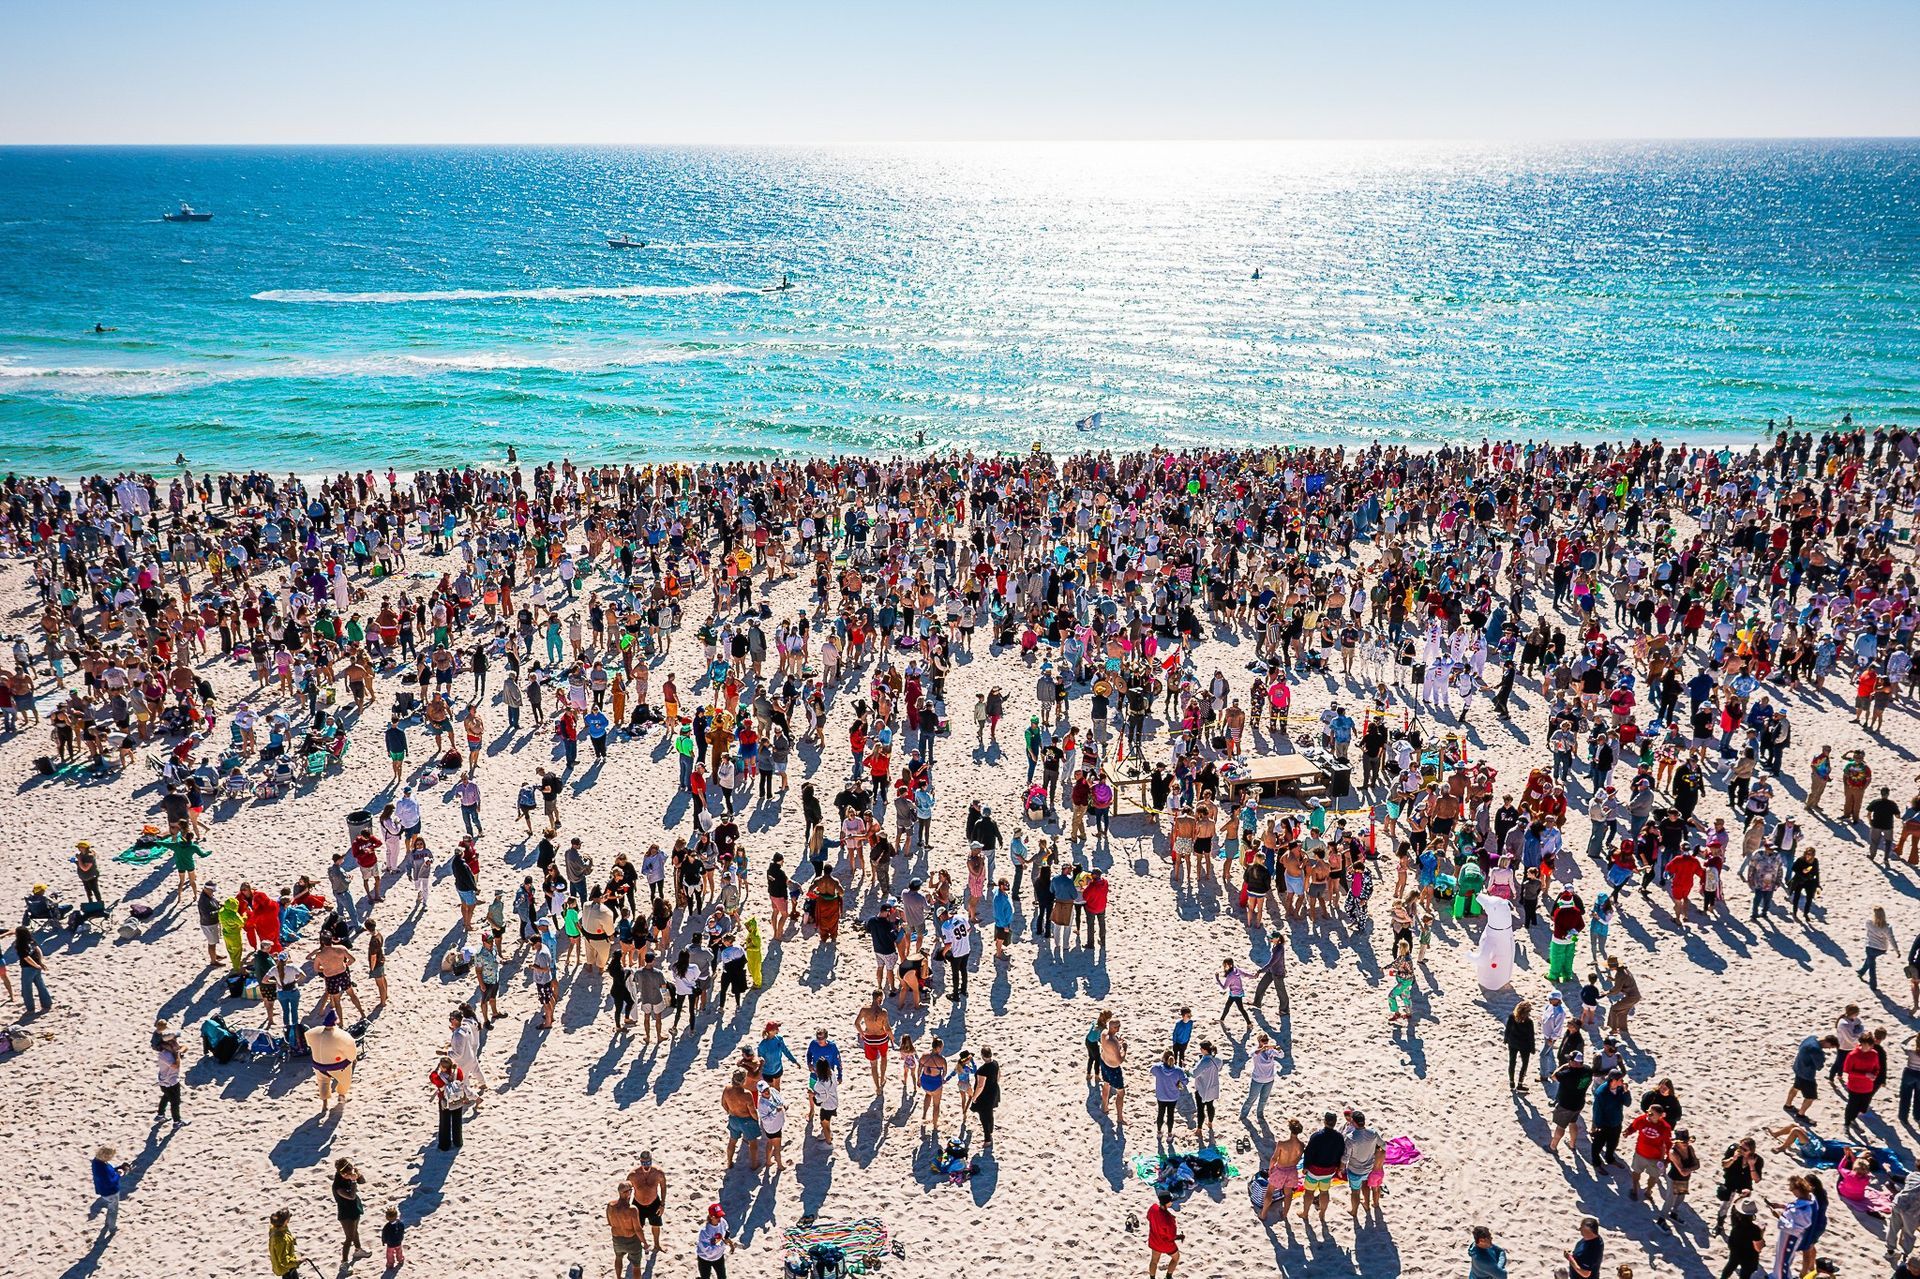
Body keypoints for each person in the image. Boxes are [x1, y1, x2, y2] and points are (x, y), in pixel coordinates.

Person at [332, 1157, 371, 1266]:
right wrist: (353, 1181)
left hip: (354, 1209)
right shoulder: (338, 1187)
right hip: (346, 1214)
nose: (350, 1174)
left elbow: (362, 1181)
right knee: (349, 1238)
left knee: (355, 1231)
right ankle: (344, 1262)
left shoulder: (348, 1175)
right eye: (348, 1173)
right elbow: (352, 1196)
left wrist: (358, 1174)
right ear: (343, 1174)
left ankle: (358, 1250)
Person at [627, 1152, 667, 1253]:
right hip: (638, 1204)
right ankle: (637, 1246)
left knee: (656, 1225)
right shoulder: (633, 1175)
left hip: (654, 1203)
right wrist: (627, 1205)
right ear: (640, 1162)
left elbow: (663, 1187)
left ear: (651, 1160)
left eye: (648, 1162)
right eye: (644, 1163)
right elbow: (627, 1190)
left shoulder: (658, 1173)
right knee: (637, 1227)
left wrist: (662, 1204)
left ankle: (657, 1245)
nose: (646, 1165)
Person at [608, 1181, 645, 1279]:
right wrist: (645, 1242)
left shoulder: (610, 1205)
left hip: (617, 1239)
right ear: (627, 1193)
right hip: (631, 1240)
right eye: (631, 1190)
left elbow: (609, 1222)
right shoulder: (632, 1209)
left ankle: (619, 1277)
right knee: (636, 1265)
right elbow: (638, 1229)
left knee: (618, 1258)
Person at [1145, 1188, 1181, 1278]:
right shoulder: (1169, 1220)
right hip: (1166, 1244)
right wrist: (1180, 1236)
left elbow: (1148, 1217)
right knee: (1176, 1258)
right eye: (1171, 1201)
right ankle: (1168, 1276)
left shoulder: (1153, 1208)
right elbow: (1171, 1236)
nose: (1172, 1203)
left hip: (1154, 1240)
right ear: (1166, 1203)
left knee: (1154, 1261)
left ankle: (1152, 1278)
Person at [695, 1203, 737, 1279]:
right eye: (717, 1217)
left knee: (722, 1277)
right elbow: (709, 1252)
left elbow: (725, 1234)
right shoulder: (704, 1232)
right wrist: (723, 1243)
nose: (719, 1219)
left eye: (720, 1216)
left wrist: (731, 1244)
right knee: (705, 1277)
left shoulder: (722, 1222)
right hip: (705, 1259)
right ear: (711, 1217)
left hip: (719, 1257)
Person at [90, 1146, 126, 1234]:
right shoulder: (103, 1168)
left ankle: (107, 1223)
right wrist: (119, 1174)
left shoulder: (96, 1161)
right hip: (111, 1192)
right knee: (113, 1210)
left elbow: (109, 1173)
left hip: (103, 1191)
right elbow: (110, 1182)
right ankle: (112, 1228)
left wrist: (117, 1168)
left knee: (111, 1207)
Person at [269, 1208, 301, 1279]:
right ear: (285, 1221)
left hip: (289, 1264)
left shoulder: (277, 1227)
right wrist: (298, 1262)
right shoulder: (280, 1240)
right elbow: (284, 1262)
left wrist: (292, 1239)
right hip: (286, 1268)